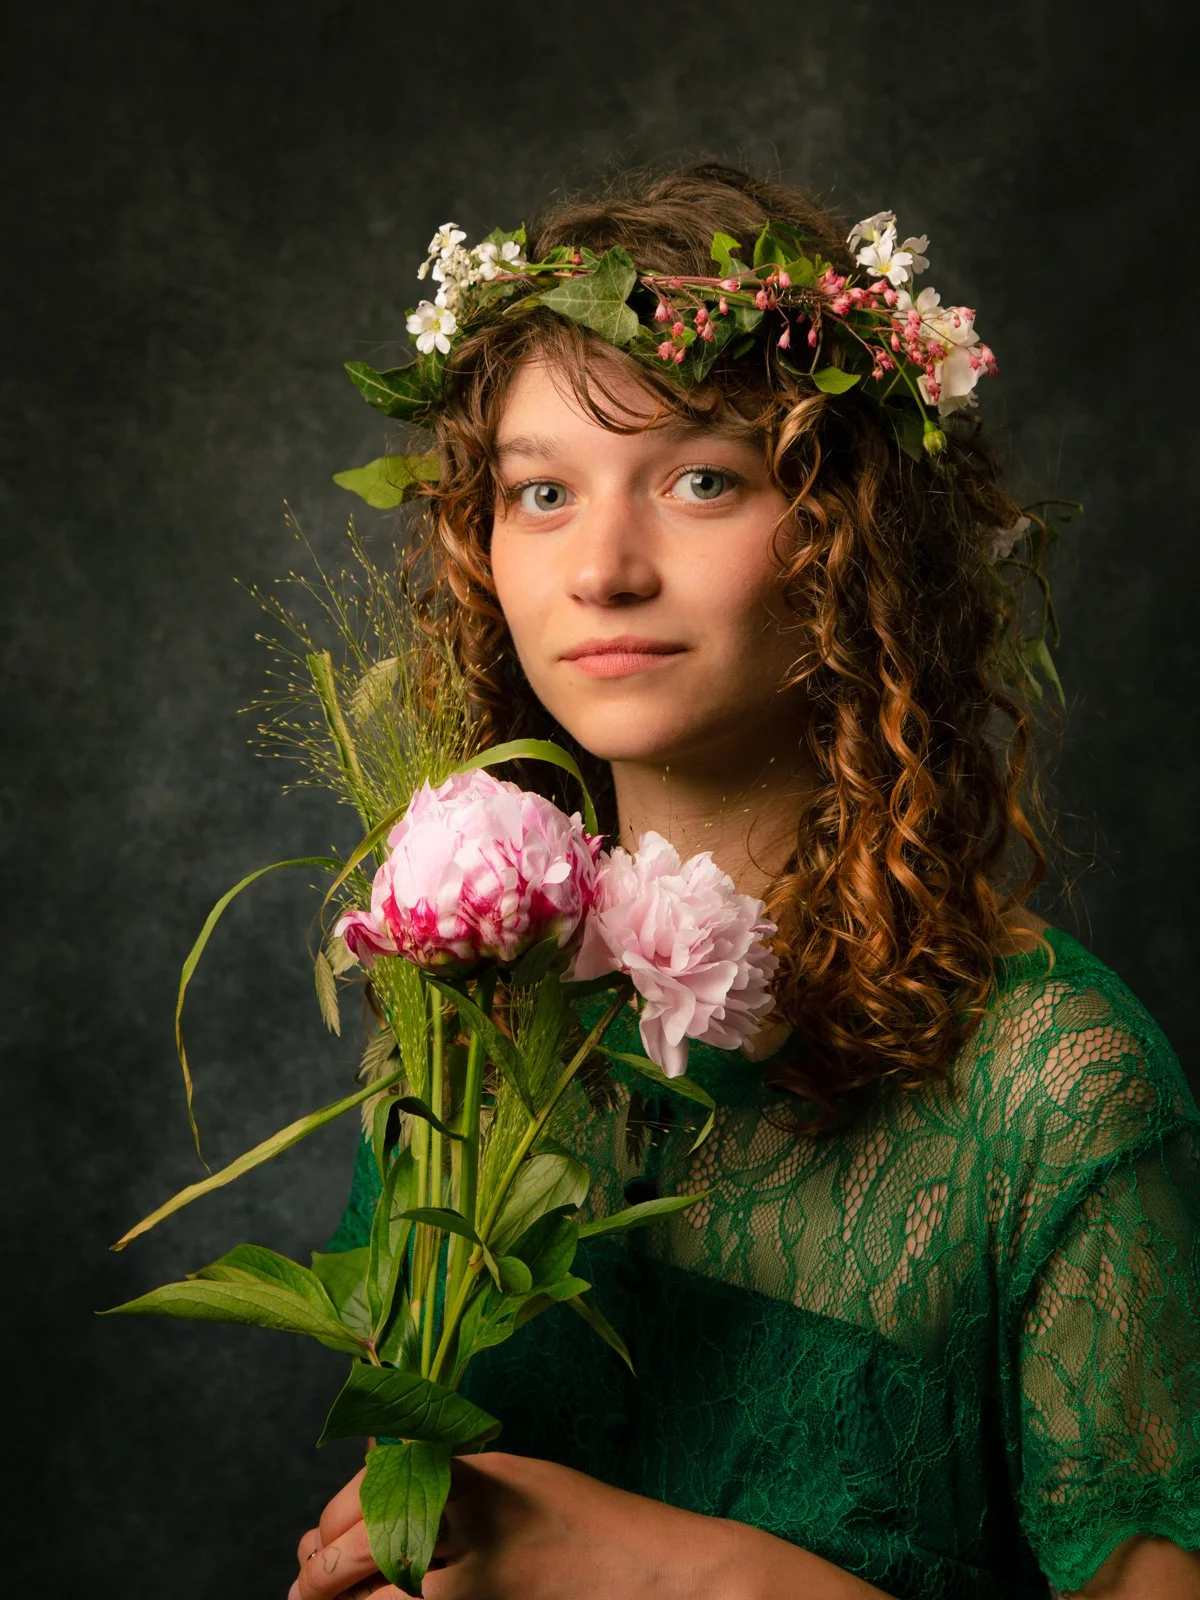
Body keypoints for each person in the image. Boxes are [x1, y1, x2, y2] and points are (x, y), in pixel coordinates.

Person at [288, 166, 1200, 1600]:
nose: (603, 569)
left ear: (851, 537)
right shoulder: (469, 1010)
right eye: (541, 492)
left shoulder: (1059, 1095)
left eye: (702, 479)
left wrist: (671, 1573)